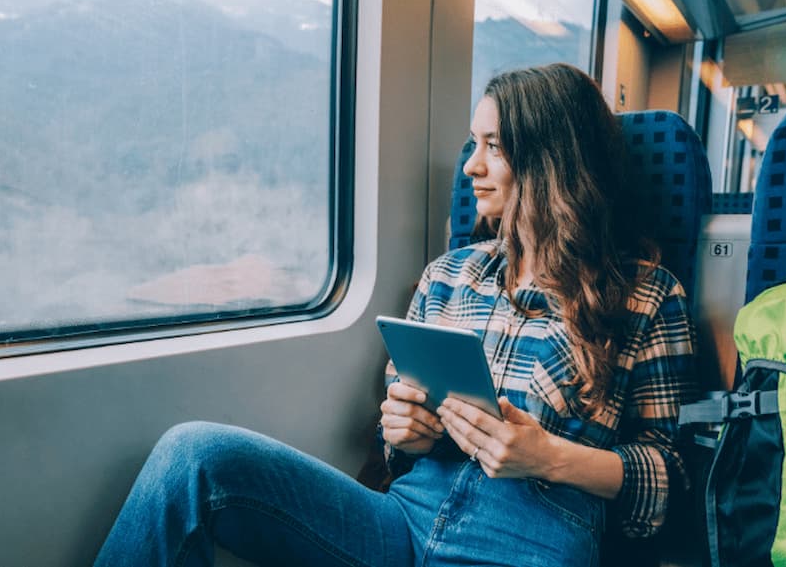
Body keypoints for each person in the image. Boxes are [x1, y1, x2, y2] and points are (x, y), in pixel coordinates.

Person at [94, 63, 696, 567]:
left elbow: (666, 481)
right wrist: (402, 432)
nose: (470, 167)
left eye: (493, 146)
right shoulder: (448, 275)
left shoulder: (648, 297)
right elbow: (399, 439)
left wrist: (547, 456)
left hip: (530, 539)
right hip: (401, 520)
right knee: (193, 455)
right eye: (472, 144)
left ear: (548, 159)